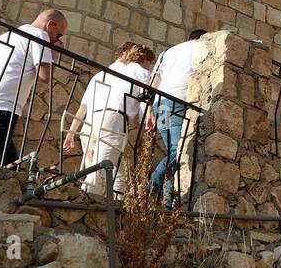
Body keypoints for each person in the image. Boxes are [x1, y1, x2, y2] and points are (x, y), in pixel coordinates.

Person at [0, 9, 67, 165]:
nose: (56, 40)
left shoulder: (6, 36)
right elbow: (44, 77)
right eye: (59, 35)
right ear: (50, 25)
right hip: (0, 107)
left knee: (9, 165)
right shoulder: (40, 35)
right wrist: (52, 54)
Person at [63, 42, 155, 197]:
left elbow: (83, 107)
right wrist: (145, 129)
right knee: (98, 172)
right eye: (149, 63)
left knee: (115, 170)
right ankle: (86, 205)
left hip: (90, 122)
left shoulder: (101, 74)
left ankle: (118, 204)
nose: (149, 67)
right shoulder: (138, 71)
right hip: (112, 120)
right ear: (143, 59)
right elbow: (147, 102)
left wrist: (71, 134)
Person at [146, 28, 207, 207]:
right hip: (177, 103)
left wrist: (150, 110)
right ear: (202, 39)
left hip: (161, 105)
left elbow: (154, 82)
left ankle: (168, 202)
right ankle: (151, 186)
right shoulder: (200, 48)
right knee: (177, 152)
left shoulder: (168, 52)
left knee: (174, 151)